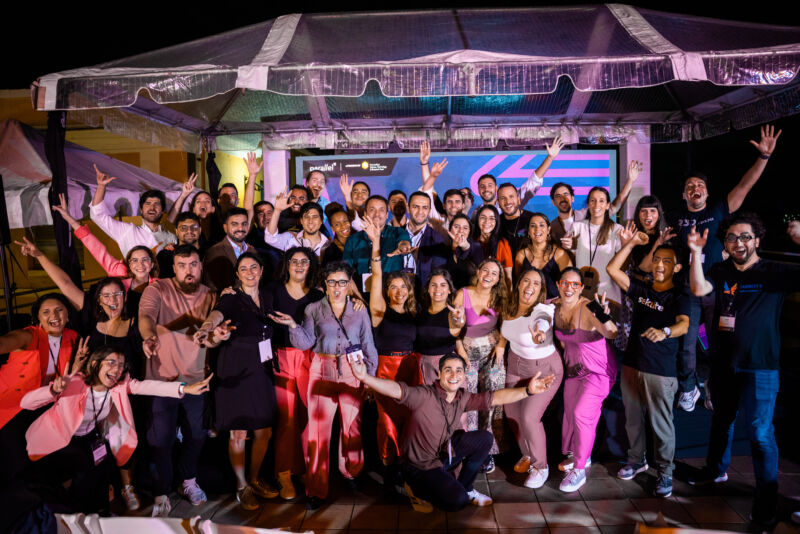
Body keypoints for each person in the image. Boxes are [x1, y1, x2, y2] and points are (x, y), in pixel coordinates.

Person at [687, 213, 800, 524]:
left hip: (761, 368)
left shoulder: (774, 272)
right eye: (732, 238)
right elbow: (698, 288)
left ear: (757, 240)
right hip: (724, 364)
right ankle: (715, 470)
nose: (739, 242)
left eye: (746, 237)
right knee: (721, 421)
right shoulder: (720, 270)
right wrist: (695, 253)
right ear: (725, 244)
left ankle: (766, 501)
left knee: (760, 433)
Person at [348, 352, 555, 512]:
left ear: (464, 375)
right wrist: (365, 377)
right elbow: (396, 389)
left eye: (458, 371)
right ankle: (414, 487)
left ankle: (466, 487)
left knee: (484, 439)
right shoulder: (423, 395)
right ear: (439, 374)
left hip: (442, 455)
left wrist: (528, 391)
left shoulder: (462, 397)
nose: (454, 375)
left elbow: (496, 397)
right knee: (457, 501)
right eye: (448, 370)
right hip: (419, 466)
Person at [667, 124, 782, 412]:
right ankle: (688, 388)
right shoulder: (675, 218)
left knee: (719, 342)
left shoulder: (718, 210)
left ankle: (713, 386)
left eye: (700, 186)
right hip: (687, 291)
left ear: (707, 193)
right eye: (690, 187)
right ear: (684, 195)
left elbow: (745, 185)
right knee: (687, 343)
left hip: (719, 291)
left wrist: (764, 157)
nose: (695, 189)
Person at [21, 346, 211, 514]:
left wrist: (185, 389)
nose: (117, 369)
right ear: (95, 363)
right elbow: (26, 403)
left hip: (88, 438)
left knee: (101, 468)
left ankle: (98, 514)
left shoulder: (119, 386)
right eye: (111, 362)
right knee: (75, 477)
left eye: (120, 365)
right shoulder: (74, 382)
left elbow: (149, 386)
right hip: (56, 440)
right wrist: (53, 390)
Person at [270, 261, 378, 510]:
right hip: (322, 370)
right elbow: (306, 342)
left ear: (349, 284)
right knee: (318, 434)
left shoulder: (359, 310)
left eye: (342, 282)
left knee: (352, 427)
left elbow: (368, 344)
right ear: (325, 285)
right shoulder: (313, 309)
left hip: (353, 371)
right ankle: (316, 489)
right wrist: (293, 326)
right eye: (332, 282)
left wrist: (370, 379)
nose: (337, 287)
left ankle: (350, 471)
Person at [193, 252, 279, 510]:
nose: (250, 272)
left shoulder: (269, 296)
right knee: (238, 432)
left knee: (264, 431)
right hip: (235, 371)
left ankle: (254, 478)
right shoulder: (231, 297)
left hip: (262, 371)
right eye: (244, 268)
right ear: (237, 274)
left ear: (261, 270)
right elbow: (217, 315)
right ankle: (242, 486)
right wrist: (207, 328)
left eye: (254, 267)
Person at [607, 233, 690, 498]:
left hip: (660, 370)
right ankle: (636, 460)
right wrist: (631, 244)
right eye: (656, 260)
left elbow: (684, 325)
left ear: (677, 267)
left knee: (661, 424)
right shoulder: (643, 289)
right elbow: (612, 270)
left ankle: (665, 472)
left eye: (667, 261)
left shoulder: (680, 295)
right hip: (632, 364)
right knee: (633, 419)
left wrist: (665, 331)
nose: (659, 265)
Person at [138, 244, 217, 517]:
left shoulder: (211, 295)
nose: (188, 270)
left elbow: (216, 328)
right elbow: (146, 316)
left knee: (197, 434)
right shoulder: (157, 289)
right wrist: (148, 336)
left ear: (201, 265)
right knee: (161, 438)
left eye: (193, 264)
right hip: (162, 378)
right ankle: (161, 491)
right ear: (173, 268)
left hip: (196, 377)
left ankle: (188, 481)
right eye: (182, 265)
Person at [0, 293, 79, 484]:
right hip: (13, 406)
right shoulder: (29, 336)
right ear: (37, 319)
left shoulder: (72, 337)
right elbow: (5, 342)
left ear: (68, 315)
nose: (54, 315)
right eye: (46, 312)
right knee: (18, 460)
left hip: (46, 403)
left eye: (59, 310)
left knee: (61, 452)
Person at [265, 247, 324, 500]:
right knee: (287, 419)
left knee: (309, 416)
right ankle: (284, 472)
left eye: (305, 261)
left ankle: (305, 469)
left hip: (310, 359)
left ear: (311, 266)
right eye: (294, 261)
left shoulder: (318, 295)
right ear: (287, 265)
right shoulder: (274, 290)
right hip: (282, 357)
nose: (299, 265)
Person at [553, 268, 618, 493]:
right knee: (570, 413)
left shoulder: (590, 307)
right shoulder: (554, 306)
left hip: (598, 371)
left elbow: (611, 332)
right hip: (574, 371)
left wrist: (603, 315)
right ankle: (580, 455)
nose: (569, 288)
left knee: (582, 414)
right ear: (558, 284)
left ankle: (579, 469)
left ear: (581, 288)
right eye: (565, 283)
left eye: (575, 284)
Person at [501, 268, 564, 489]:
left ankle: (540, 466)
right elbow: (506, 330)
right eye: (526, 281)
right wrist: (499, 347)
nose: (530, 286)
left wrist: (540, 333)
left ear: (541, 290)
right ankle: (527, 454)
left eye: (536, 283)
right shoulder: (509, 305)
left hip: (544, 369)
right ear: (518, 284)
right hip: (515, 364)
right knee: (512, 414)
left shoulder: (543, 309)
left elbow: (543, 321)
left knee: (529, 417)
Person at [365, 217, 419, 468]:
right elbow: (377, 274)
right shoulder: (379, 311)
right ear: (387, 291)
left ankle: (407, 464)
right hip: (385, 370)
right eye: (393, 287)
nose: (399, 291)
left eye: (403, 286)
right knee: (386, 420)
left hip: (411, 369)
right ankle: (389, 466)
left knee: (409, 419)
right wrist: (376, 243)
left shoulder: (414, 312)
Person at [450, 258, 509, 473]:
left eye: (494, 273)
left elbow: (506, 325)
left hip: (492, 353)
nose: (488, 276)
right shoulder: (462, 294)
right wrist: (460, 349)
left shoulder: (500, 297)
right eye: (485, 270)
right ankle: (470, 447)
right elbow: (454, 327)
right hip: (467, 353)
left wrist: (501, 346)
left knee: (492, 398)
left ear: (498, 279)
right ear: (478, 272)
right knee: (470, 400)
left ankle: (488, 450)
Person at [563, 187, 625, 324]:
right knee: (584, 332)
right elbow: (569, 250)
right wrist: (568, 245)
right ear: (588, 204)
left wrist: (627, 243)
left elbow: (624, 265)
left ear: (608, 205)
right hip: (582, 294)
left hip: (608, 295)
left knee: (607, 332)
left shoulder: (617, 230)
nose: (597, 205)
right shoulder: (578, 226)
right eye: (593, 200)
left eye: (601, 201)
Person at [89, 163, 176, 255]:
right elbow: (98, 216)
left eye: (156, 204)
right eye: (148, 204)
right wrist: (101, 187)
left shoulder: (171, 238)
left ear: (162, 211)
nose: (152, 208)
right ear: (141, 210)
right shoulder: (128, 232)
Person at [549, 160, 641, 242]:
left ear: (572, 198)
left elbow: (615, 207)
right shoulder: (552, 226)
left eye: (566, 194)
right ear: (553, 202)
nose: (563, 199)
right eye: (558, 196)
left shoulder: (586, 214)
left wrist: (630, 180)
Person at [343, 195, 411, 292]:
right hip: (362, 294)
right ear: (365, 214)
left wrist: (403, 247)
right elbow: (346, 272)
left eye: (381, 210)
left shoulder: (397, 232)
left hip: (392, 293)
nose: (377, 214)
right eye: (372, 210)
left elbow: (404, 242)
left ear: (387, 215)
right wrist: (356, 296)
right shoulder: (353, 240)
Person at [416, 270, 462, 385]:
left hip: (446, 367)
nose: (438, 289)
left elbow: (459, 325)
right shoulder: (421, 312)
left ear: (449, 290)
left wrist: (458, 319)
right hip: (423, 366)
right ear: (428, 289)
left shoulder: (453, 313)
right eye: (433, 285)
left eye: (443, 285)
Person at [514, 212, 572, 298]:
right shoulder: (521, 255)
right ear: (528, 231)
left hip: (554, 303)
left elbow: (571, 282)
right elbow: (518, 283)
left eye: (541, 225)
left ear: (548, 230)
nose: (537, 229)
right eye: (533, 226)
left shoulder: (559, 254)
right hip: (529, 302)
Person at [399, 191, 449, 289]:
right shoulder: (395, 235)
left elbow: (438, 276)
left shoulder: (438, 240)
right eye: (415, 207)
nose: (420, 212)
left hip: (421, 292)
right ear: (408, 208)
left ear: (429, 210)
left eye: (425, 208)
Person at [203, 207, 255, 292]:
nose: (240, 228)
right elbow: (211, 287)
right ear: (225, 228)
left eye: (244, 224)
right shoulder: (214, 252)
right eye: (235, 224)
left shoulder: (252, 251)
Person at [472, 205, 513, 287]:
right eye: (483, 217)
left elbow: (508, 277)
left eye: (491, 218)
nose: (487, 221)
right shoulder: (471, 242)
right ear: (477, 220)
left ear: (496, 221)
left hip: (495, 290)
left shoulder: (502, 244)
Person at [158, 211, 202, 278]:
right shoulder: (165, 256)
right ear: (176, 231)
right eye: (183, 228)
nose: (189, 231)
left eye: (194, 227)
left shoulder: (209, 253)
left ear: (200, 230)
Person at [444, 214, 483, 289]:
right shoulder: (444, 248)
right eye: (456, 227)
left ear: (469, 231)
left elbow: (467, 248)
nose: (461, 231)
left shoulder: (476, 247)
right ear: (450, 229)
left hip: (469, 291)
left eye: (465, 228)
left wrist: (465, 246)